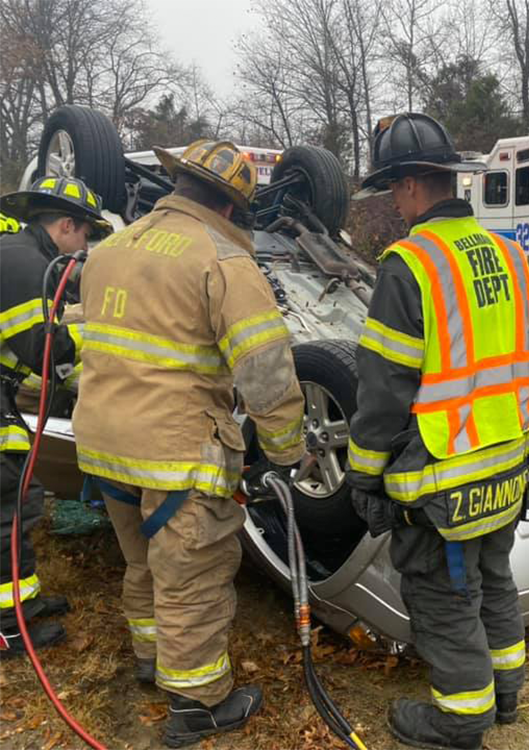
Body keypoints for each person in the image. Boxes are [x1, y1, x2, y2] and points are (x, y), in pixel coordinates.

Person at [72, 140, 306, 747]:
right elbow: (267, 370)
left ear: (178, 186)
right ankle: (199, 704)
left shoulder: (110, 247)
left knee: (143, 562)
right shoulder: (223, 260)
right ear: (232, 207)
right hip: (175, 453)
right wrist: (284, 453)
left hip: (103, 445)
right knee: (193, 578)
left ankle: (152, 663)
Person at [348, 113, 529, 750]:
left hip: (443, 475)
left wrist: (365, 474)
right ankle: (505, 695)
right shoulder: (509, 254)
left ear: (409, 187)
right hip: (506, 460)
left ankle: (460, 720)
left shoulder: (409, 264)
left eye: (392, 192)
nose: (393, 205)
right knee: (494, 581)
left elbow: (383, 390)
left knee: (445, 598)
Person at [0, 176, 112, 658]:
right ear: (67, 225)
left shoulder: (26, 254)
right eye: (86, 233)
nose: (85, 245)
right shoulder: (26, 263)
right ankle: (7, 628)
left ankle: (22, 604)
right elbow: (40, 348)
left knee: (20, 498)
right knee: (7, 504)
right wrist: (102, 343)